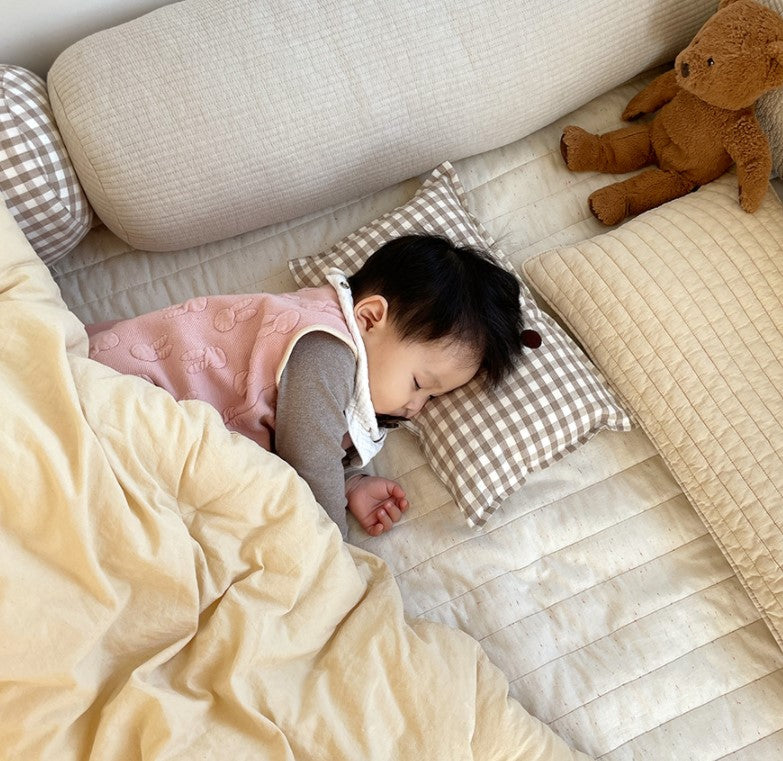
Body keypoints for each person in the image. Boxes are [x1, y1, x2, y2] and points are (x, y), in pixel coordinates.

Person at [87, 234, 528, 539]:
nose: (417, 408)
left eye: (432, 398)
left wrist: (351, 482)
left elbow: (307, 426)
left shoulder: (345, 354)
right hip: (126, 392)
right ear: (370, 318)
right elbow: (307, 451)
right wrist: (332, 543)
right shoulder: (325, 344)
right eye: (419, 384)